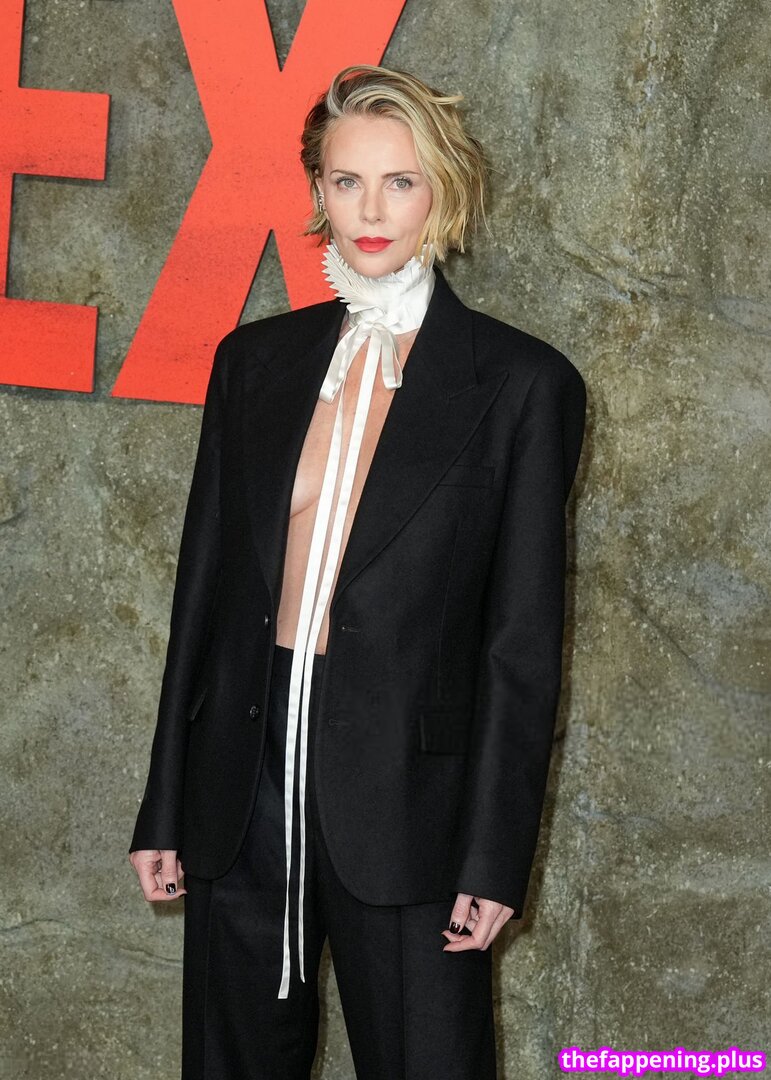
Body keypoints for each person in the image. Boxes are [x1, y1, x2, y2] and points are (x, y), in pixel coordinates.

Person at [128, 63, 587, 1079]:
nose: (371, 211)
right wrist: (166, 801)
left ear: (444, 191)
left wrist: (493, 856)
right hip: (241, 789)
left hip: (412, 809)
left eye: (399, 182)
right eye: (347, 182)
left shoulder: (524, 385)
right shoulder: (253, 363)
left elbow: (521, 646)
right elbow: (200, 601)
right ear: (318, 192)